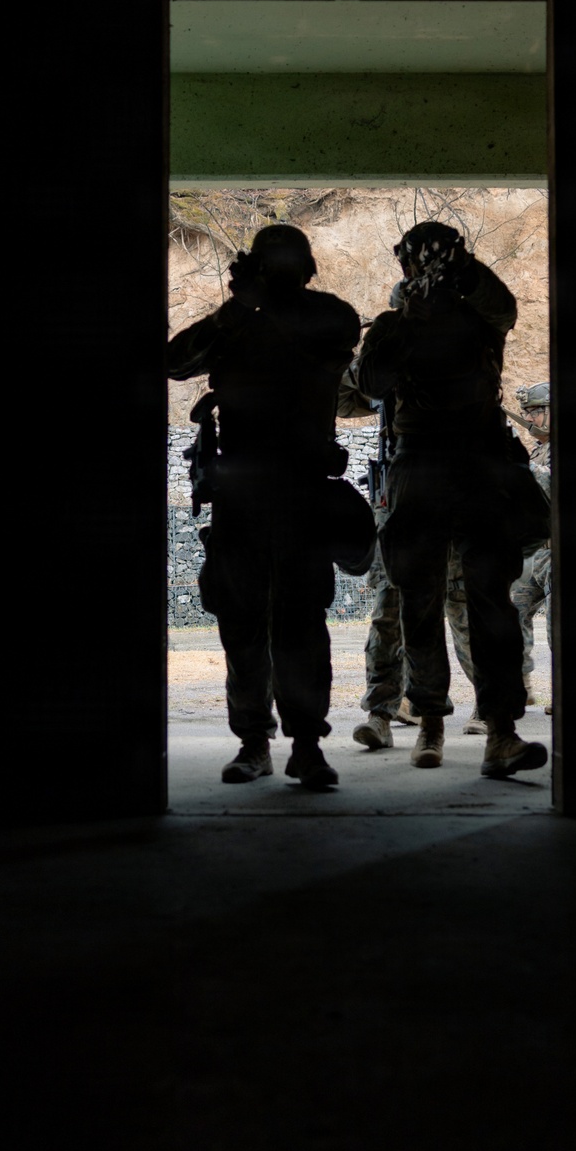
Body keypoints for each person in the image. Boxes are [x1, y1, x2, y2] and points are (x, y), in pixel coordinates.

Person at [167, 224, 374, 790]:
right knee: (243, 624)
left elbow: (335, 334)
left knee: (300, 624)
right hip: (242, 496)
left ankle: (305, 746)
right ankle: (254, 742)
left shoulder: (326, 316)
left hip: (301, 493)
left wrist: (252, 308)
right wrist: (237, 310)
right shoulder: (238, 322)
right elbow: (175, 362)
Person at [355, 222, 550, 778]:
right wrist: (405, 319)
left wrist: (462, 271)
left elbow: (504, 307)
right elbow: (370, 381)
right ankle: (432, 723)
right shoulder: (396, 322)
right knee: (418, 601)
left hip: (475, 463)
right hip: (421, 463)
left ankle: (501, 730)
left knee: (490, 602)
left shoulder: (479, 316)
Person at [337, 351, 484, 749]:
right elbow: (340, 398)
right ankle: (381, 713)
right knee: (389, 609)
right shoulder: (389, 371)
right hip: (399, 500)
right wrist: (369, 362)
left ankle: (487, 706)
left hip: (457, 497)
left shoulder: (461, 355)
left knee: (463, 607)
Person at [507, 381, 554, 716]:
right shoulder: (539, 449)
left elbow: (550, 483)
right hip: (536, 552)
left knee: (557, 625)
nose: (529, 419)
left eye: (534, 412)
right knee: (512, 612)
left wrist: (522, 467)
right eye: (526, 412)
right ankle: (520, 687)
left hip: (556, 552)